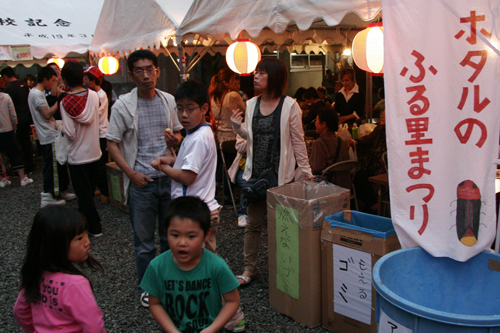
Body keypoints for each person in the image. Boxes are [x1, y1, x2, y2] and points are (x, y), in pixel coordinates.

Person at [106, 49, 183, 307]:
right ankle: (147, 287)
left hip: (168, 178)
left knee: (169, 236)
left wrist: (177, 140)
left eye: (150, 69)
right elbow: (112, 143)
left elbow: (181, 136)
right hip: (142, 182)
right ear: (131, 74)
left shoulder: (169, 100)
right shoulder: (123, 105)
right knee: (144, 243)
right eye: (139, 71)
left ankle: (168, 281)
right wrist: (131, 174)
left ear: (158, 71)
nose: (146, 75)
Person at [230, 58, 313, 285]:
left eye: (262, 73)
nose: (255, 76)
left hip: (281, 178)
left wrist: (305, 170)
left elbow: (298, 141)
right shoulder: (251, 104)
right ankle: (249, 269)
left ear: (274, 77)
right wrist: (239, 129)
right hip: (255, 176)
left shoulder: (290, 106)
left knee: (282, 227)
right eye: (256, 72)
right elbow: (247, 141)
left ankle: (283, 269)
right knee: (253, 225)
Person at [140, 196, 243, 333]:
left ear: (206, 235)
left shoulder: (216, 266)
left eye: (191, 236)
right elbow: (155, 303)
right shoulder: (157, 266)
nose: (182, 243)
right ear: (166, 232)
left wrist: (212, 329)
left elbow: (232, 301)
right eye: (175, 235)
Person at [151, 80, 220, 253]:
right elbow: (194, 163)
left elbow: (188, 177)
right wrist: (172, 161)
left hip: (196, 211)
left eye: (190, 109)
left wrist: (163, 167)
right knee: (206, 260)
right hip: (202, 208)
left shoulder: (197, 138)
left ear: (204, 108)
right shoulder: (200, 131)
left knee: (198, 263)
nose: (184, 115)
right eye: (180, 108)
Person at [13, 205, 105, 332]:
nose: (87, 242)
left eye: (85, 235)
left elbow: (20, 311)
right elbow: (93, 325)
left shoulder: (36, 272)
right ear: (55, 244)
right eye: (79, 238)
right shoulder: (75, 284)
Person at [59, 61, 102, 237]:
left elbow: (69, 132)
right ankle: (85, 223)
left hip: (77, 156)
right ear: (82, 77)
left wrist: (59, 127)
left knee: (83, 196)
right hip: (95, 152)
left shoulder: (64, 101)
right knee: (89, 193)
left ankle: (94, 227)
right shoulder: (93, 95)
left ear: (65, 79)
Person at [28, 66, 75, 207]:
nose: (53, 84)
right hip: (48, 136)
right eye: (53, 81)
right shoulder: (37, 94)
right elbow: (47, 114)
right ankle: (48, 196)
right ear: (45, 79)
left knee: (59, 165)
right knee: (52, 167)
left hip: (50, 133)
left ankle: (60, 191)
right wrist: (59, 99)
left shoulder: (37, 92)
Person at [1, 66, 35, 173]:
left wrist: (13, 123)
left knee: (18, 145)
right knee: (27, 143)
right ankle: (30, 165)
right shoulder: (24, 85)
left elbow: (10, 109)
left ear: (5, 76)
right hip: (27, 118)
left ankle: (23, 167)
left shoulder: (9, 89)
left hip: (17, 120)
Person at [352, 109, 387, 212]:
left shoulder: (393, 132)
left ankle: (373, 205)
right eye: (382, 114)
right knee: (358, 176)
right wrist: (357, 142)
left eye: (385, 115)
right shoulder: (378, 129)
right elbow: (368, 138)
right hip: (373, 165)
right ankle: (371, 205)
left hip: (383, 169)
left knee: (361, 178)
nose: (382, 116)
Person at [84, 66, 110, 204]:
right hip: (100, 132)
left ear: (93, 81)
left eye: (86, 79)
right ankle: (102, 190)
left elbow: (94, 115)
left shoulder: (99, 95)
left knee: (100, 165)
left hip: (101, 133)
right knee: (99, 164)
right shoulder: (99, 94)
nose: (85, 81)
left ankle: (105, 193)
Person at [309, 108, 350, 188]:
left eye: (317, 121)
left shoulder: (319, 143)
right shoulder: (341, 140)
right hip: (345, 185)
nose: (315, 123)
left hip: (329, 186)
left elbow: (316, 168)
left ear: (324, 124)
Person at [0, 91, 33, 186]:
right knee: (15, 153)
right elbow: (13, 114)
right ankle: (22, 178)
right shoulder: (6, 97)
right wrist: (14, 127)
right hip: (8, 129)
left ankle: (1, 180)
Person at [209, 68, 246, 144]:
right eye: (232, 80)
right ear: (225, 83)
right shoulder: (232, 95)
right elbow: (247, 111)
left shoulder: (213, 97)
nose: (235, 82)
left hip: (218, 138)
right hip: (232, 137)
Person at [227, 134, 248, 228]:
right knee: (246, 184)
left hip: (259, 168)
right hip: (242, 168)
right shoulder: (242, 127)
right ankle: (243, 213)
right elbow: (241, 148)